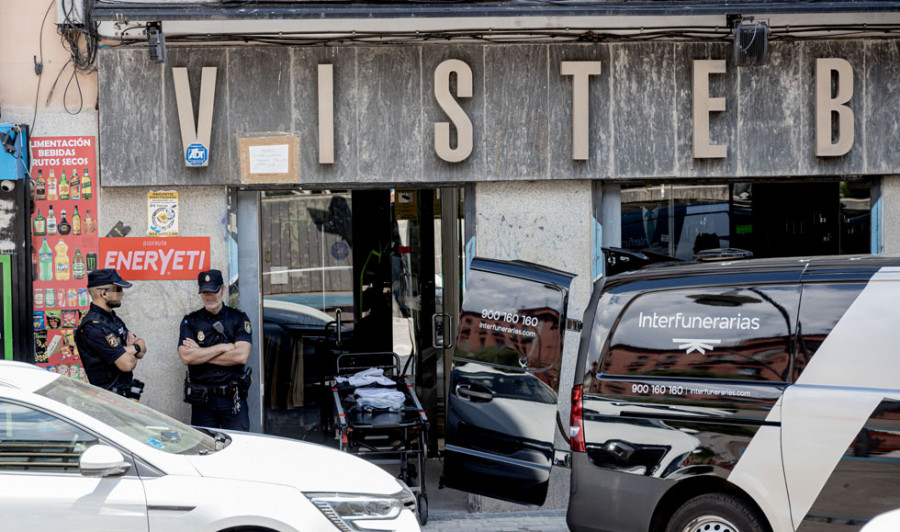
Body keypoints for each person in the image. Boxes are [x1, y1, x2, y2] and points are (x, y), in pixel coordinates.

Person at [178, 269, 252, 430]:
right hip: (202, 401)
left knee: (239, 446)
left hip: (232, 398)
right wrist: (223, 347)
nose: (209, 296)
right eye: (205, 292)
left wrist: (201, 352)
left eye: (213, 291)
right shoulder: (190, 321)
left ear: (223, 290)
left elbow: (241, 356)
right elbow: (186, 357)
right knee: (204, 449)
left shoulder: (238, 318)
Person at [74, 268, 147, 399]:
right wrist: (134, 348)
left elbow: (142, 347)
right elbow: (127, 364)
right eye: (118, 289)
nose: (122, 294)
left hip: (122, 398)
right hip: (108, 401)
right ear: (104, 293)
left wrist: (130, 349)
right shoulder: (94, 327)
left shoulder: (112, 319)